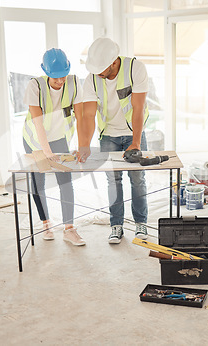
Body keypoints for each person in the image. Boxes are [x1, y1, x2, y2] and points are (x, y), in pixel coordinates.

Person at [77, 37, 150, 244]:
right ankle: (116, 225)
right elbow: (88, 115)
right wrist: (84, 144)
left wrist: (136, 141)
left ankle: (140, 223)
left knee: (137, 179)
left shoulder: (135, 69)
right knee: (113, 180)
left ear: (114, 61)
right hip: (108, 134)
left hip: (132, 131)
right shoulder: (91, 78)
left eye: (102, 69)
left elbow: (138, 108)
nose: (99, 74)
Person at [22, 48, 85, 246]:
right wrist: (47, 153)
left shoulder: (74, 83)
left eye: (63, 76)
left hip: (59, 138)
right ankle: (46, 223)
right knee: (38, 182)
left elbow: (81, 117)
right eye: (55, 77)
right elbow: (38, 122)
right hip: (34, 140)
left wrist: (82, 145)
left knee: (65, 182)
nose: (60, 81)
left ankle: (69, 229)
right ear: (45, 71)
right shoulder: (35, 86)